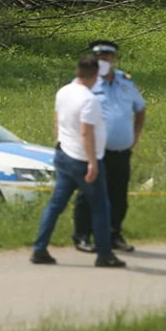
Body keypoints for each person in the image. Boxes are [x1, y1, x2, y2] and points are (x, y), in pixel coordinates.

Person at [30, 56, 125, 268]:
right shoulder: (89, 100)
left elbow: (57, 121)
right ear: (96, 75)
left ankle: (39, 248)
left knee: (56, 205)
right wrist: (92, 163)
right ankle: (104, 254)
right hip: (82, 159)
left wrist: (60, 142)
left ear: (77, 71)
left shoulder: (64, 91)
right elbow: (86, 132)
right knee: (100, 207)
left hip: (64, 154)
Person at [72, 39, 146, 254]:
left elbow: (140, 109)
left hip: (121, 151)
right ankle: (82, 236)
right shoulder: (86, 83)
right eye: (99, 58)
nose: (103, 61)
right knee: (88, 194)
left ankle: (114, 234)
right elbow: (72, 112)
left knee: (118, 195)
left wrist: (135, 136)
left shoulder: (126, 82)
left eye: (106, 57)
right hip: (95, 151)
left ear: (113, 59)